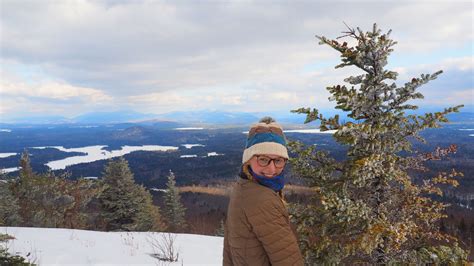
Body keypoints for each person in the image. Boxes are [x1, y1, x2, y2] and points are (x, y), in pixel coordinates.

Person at [223, 117, 304, 266]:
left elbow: (229, 252)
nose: (271, 169)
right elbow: (288, 260)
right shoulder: (262, 199)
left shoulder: (243, 186)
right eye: (263, 159)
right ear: (248, 160)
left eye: (278, 160)